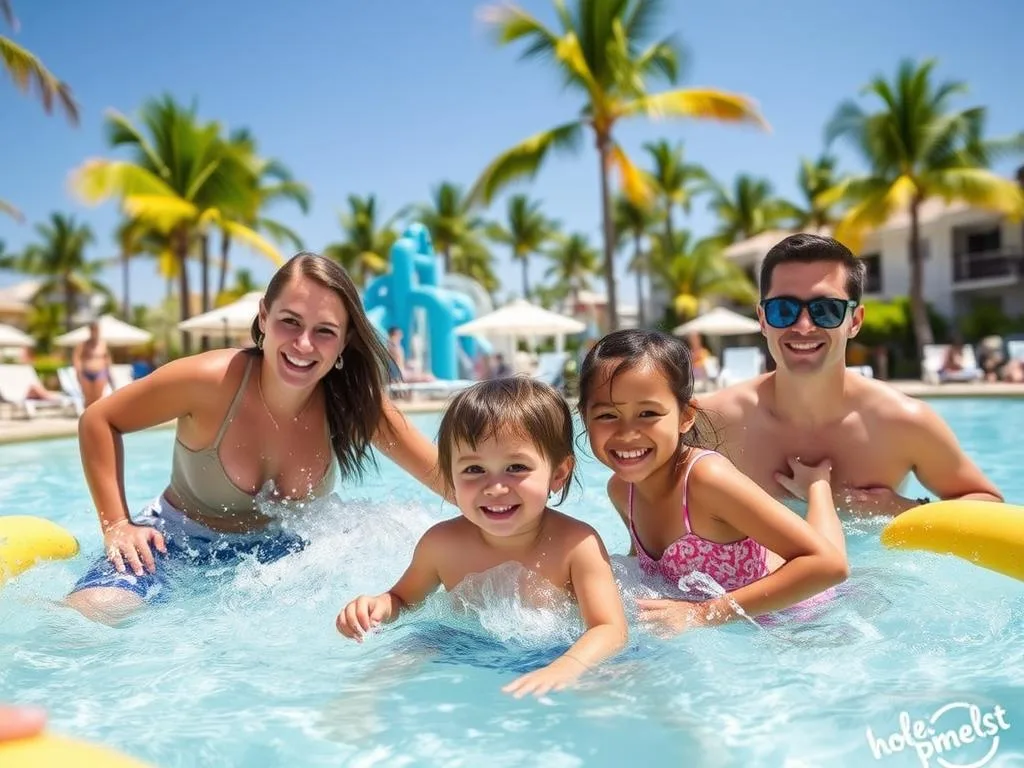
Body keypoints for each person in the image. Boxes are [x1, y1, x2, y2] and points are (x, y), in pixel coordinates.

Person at [64, 252, 444, 625]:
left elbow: (448, 479)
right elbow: (99, 419)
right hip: (173, 544)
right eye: (290, 322)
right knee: (92, 614)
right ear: (264, 317)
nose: (304, 344)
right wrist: (116, 524)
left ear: (344, 341)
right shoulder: (210, 381)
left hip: (287, 555)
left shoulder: (355, 404)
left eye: (324, 331)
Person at [336, 376, 628, 699]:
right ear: (450, 475)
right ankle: (360, 703)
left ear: (558, 474)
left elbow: (609, 628)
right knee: (403, 654)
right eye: (474, 470)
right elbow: (403, 600)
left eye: (516, 467)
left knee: (614, 682)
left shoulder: (577, 546)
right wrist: (376, 606)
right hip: (458, 646)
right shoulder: (441, 545)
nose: (495, 487)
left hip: (556, 650)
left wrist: (567, 665)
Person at [698, 233, 1002, 516]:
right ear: (763, 320)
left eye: (826, 309)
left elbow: (990, 507)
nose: (803, 326)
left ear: (854, 321)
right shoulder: (715, 420)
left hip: (875, 573)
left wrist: (898, 508)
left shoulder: (902, 421)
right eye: (783, 310)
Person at [578, 329, 849, 635]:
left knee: (821, 542)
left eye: (648, 413)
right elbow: (646, 567)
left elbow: (829, 565)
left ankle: (817, 484)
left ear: (685, 416)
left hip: (796, 614)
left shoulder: (707, 480)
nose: (627, 433)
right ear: (584, 417)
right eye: (607, 416)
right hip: (736, 615)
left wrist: (703, 613)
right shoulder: (620, 490)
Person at [72, 320, 113, 407]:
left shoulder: (103, 344)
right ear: (90, 331)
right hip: (86, 372)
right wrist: (78, 371)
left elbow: (107, 358)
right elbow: (77, 358)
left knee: (98, 398)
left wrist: (109, 372)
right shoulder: (83, 344)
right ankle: (87, 418)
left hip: (100, 372)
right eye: (93, 330)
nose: (95, 332)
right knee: (88, 398)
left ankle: (95, 418)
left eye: (97, 330)